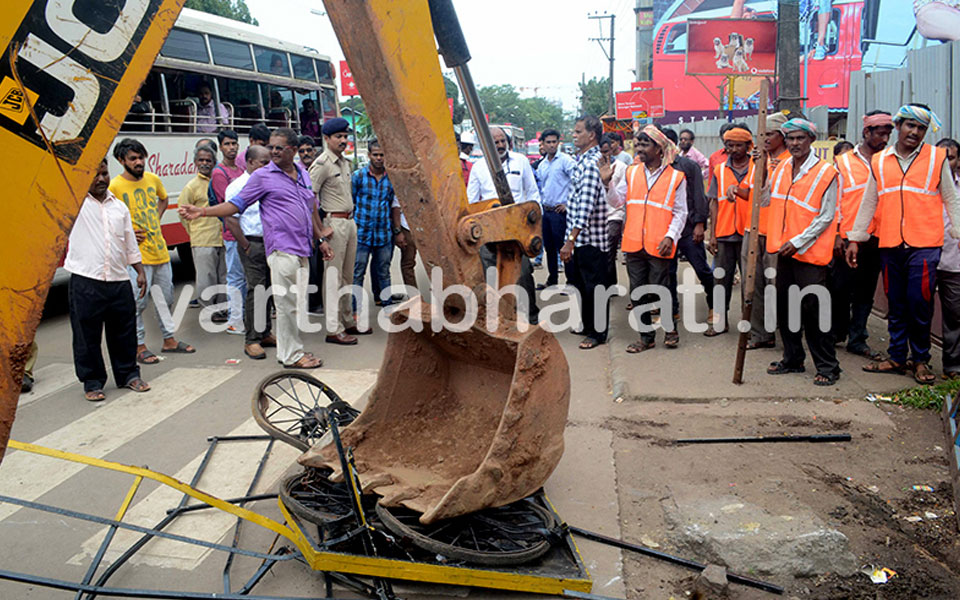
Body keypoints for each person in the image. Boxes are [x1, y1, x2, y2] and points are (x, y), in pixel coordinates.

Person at [182, 128, 333, 369]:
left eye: (278, 147)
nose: (273, 151)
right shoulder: (263, 177)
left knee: (294, 304)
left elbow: (309, 206)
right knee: (286, 306)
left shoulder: (302, 172)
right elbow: (235, 205)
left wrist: (320, 239)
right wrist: (202, 211)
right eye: (271, 147)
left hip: (303, 249)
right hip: (281, 249)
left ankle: (289, 352)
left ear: (292, 151)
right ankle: (292, 356)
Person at [847, 104, 960, 384]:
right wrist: (856, 238)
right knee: (895, 302)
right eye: (910, 126)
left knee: (919, 303)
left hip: (925, 245)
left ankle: (920, 359)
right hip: (890, 243)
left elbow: (951, 197)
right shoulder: (881, 160)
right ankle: (897, 356)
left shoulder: (937, 158)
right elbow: (869, 201)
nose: (915, 132)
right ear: (899, 126)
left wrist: (959, 232)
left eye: (921, 128)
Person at [764, 118, 841, 386]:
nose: (795, 143)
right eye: (791, 139)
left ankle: (828, 366)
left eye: (800, 138)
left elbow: (827, 216)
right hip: (784, 250)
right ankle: (793, 358)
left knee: (814, 309)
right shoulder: (782, 167)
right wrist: (758, 169)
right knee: (787, 307)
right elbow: (766, 199)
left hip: (810, 252)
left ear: (811, 140)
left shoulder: (826, 172)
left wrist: (798, 241)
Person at [67, 159, 151, 401]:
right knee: (86, 336)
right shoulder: (74, 203)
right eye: (95, 175)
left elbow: (129, 241)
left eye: (104, 173)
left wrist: (140, 270)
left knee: (124, 332)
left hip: (118, 279)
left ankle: (128, 375)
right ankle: (92, 382)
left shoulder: (119, 208)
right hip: (86, 279)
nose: (102, 179)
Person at [110, 139, 195, 364]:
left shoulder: (153, 179)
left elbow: (164, 198)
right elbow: (106, 218)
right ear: (121, 161)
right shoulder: (115, 187)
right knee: (137, 303)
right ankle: (138, 346)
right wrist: (126, 233)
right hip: (136, 257)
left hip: (160, 251)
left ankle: (169, 340)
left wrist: (155, 221)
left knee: (166, 298)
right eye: (133, 159)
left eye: (141, 157)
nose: (139, 162)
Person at [608, 125, 687, 352]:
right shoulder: (632, 172)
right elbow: (616, 201)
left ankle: (670, 330)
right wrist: (608, 184)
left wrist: (671, 237)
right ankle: (646, 337)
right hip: (633, 243)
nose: (639, 148)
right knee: (638, 291)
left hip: (659, 244)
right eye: (638, 144)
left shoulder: (676, 177)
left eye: (645, 144)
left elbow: (681, 212)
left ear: (659, 149)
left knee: (661, 289)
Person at [829, 111, 893, 359]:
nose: (885, 139)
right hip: (847, 235)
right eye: (880, 133)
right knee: (841, 286)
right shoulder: (844, 162)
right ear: (866, 133)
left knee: (866, 290)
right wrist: (836, 234)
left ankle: (858, 338)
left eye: (888, 134)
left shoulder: (889, 161)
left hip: (878, 236)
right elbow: (835, 200)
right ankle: (838, 331)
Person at [467, 126, 542, 322]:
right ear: (486, 145)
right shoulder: (478, 167)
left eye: (503, 141)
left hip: (517, 230)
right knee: (491, 274)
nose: (500, 145)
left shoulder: (521, 161)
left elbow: (533, 194)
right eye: (495, 142)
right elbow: (472, 201)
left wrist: (532, 225)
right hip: (489, 231)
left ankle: (531, 317)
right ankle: (500, 318)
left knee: (523, 274)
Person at [310, 117, 367, 344]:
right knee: (333, 278)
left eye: (345, 136)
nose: (343, 140)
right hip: (333, 223)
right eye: (338, 137)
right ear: (327, 139)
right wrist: (320, 231)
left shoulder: (344, 163)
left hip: (349, 222)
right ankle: (333, 328)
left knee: (347, 276)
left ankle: (346, 320)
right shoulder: (322, 164)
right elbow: (309, 199)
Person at [560, 116, 610, 349]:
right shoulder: (582, 161)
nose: (574, 134)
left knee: (594, 287)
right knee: (582, 286)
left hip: (589, 240)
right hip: (580, 240)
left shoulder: (591, 165)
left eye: (578, 131)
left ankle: (598, 334)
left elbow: (585, 208)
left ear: (592, 135)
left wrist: (570, 240)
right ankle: (591, 328)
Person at [225, 145, 277, 360]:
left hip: (272, 242)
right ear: (250, 162)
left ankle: (265, 332)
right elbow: (230, 218)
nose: (268, 166)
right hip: (252, 242)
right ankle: (252, 339)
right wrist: (245, 244)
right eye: (263, 162)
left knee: (269, 289)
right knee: (255, 290)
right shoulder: (238, 186)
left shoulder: (270, 182)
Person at [660, 127, 711, 330]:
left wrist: (700, 224)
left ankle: (714, 306)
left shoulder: (689, 166)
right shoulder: (657, 169)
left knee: (702, 268)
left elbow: (699, 194)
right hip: (667, 229)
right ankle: (673, 310)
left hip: (689, 227)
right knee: (667, 272)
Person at [706, 124, 753, 336]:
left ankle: (749, 325)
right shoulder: (719, 170)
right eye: (729, 145)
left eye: (738, 145)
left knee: (750, 282)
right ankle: (719, 322)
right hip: (725, 233)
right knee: (720, 281)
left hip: (749, 232)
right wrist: (712, 234)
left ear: (748, 146)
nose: (733, 149)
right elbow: (714, 203)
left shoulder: (759, 166)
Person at [179, 144, 228, 322]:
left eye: (208, 160)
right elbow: (183, 214)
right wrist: (195, 233)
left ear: (214, 162)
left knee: (224, 276)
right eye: (201, 160)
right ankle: (208, 311)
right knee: (206, 278)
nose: (205, 163)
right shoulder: (191, 187)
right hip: (203, 239)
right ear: (195, 163)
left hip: (223, 237)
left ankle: (223, 309)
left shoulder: (219, 181)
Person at [352, 139, 396, 310]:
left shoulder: (391, 179)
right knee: (358, 272)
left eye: (382, 155)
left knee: (383, 271)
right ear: (369, 155)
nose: (379, 158)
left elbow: (393, 204)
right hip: (362, 233)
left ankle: (387, 306)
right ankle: (354, 309)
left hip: (383, 234)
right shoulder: (358, 176)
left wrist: (396, 230)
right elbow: (352, 201)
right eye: (375, 155)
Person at [212, 129, 247, 335]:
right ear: (220, 147)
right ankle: (235, 319)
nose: (231, 147)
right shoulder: (219, 173)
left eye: (234, 143)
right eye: (227, 144)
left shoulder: (240, 170)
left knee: (243, 277)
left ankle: (242, 316)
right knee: (235, 277)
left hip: (244, 231)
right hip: (232, 234)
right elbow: (226, 206)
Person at [536, 128, 576, 288]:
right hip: (546, 211)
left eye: (554, 142)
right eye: (548, 142)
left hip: (560, 213)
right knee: (549, 248)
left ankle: (571, 282)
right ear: (543, 144)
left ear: (559, 143)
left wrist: (568, 204)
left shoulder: (566, 161)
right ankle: (552, 280)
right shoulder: (542, 164)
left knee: (564, 248)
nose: (552, 145)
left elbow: (577, 181)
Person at [936, 137, 960, 378]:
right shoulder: (924, 189)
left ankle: (952, 366)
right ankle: (916, 359)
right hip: (923, 257)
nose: (944, 163)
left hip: (954, 263)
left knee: (954, 315)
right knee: (917, 310)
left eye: (950, 158)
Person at [600, 133, 628, 284]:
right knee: (602, 254)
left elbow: (621, 197)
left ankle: (608, 287)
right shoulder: (592, 167)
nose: (604, 155)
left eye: (606, 151)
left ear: (611, 150)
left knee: (610, 250)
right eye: (601, 152)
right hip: (597, 217)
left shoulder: (621, 168)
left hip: (615, 215)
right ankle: (608, 283)